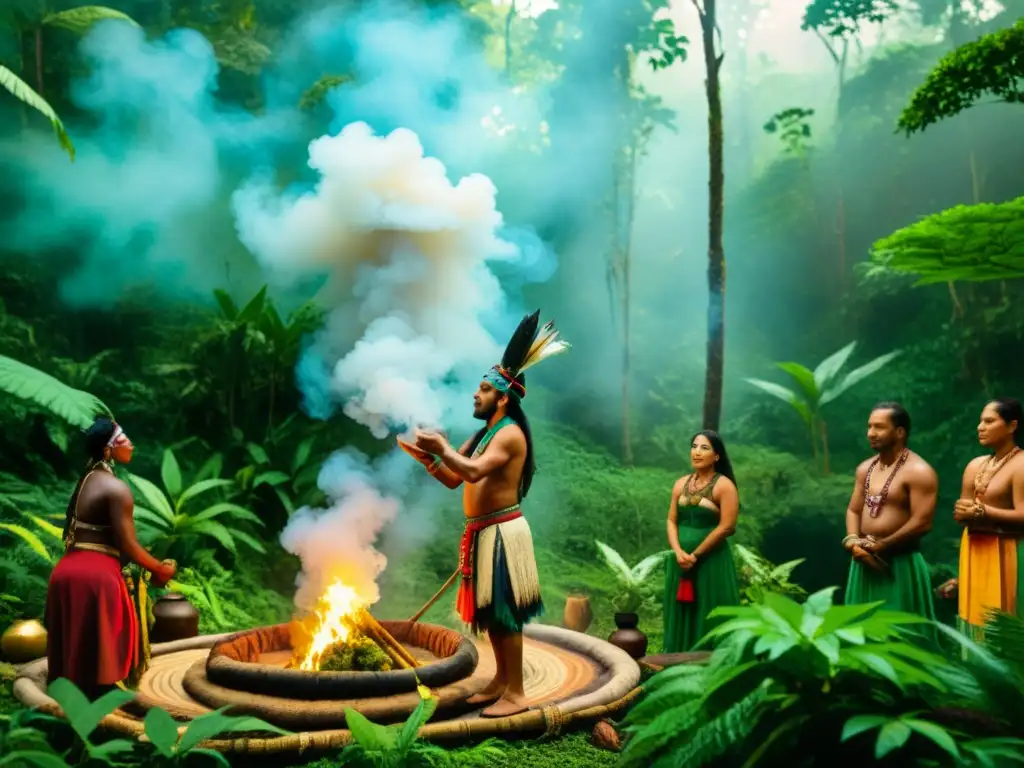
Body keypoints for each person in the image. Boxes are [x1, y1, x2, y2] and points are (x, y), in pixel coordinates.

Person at [411, 310, 568, 718]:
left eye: (483, 390)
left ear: (503, 397)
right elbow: (453, 478)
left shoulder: (510, 434)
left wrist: (442, 449)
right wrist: (429, 458)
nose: (475, 395)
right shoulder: (482, 435)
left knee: (504, 612)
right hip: (481, 534)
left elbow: (475, 471)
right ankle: (500, 681)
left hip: (501, 534)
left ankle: (516, 692)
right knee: (490, 614)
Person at [45, 416, 175, 700]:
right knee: (100, 673)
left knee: (73, 665)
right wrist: (160, 568)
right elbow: (128, 545)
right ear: (107, 450)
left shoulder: (88, 479)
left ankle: (66, 709)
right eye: (123, 438)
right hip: (95, 580)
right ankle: (103, 712)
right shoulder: (116, 489)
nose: (130, 443)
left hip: (66, 574)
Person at [842, 402, 938, 624]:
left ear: (900, 432)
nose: (871, 433)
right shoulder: (865, 468)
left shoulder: (919, 471)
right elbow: (853, 510)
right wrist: (853, 540)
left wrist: (884, 545)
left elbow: (922, 522)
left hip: (900, 564)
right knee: (861, 635)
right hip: (864, 562)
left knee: (902, 636)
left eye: (879, 427)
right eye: (869, 427)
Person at [949, 398, 1023, 638]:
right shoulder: (975, 465)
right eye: (980, 421)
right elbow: (964, 510)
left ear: (1012, 426)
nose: (980, 427)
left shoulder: (1021, 464)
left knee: (1004, 619)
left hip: (1008, 550)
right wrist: (963, 513)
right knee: (974, 619)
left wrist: (983, 511)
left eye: (989, 421)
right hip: (973, 548)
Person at [662, 430, 741, 653]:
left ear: (717, 456)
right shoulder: (680, 484)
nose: (696, 452)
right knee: (682, 610)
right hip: (680, 561)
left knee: (709, 608)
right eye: (694, 446)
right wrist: (678, 551)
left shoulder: (724, 486)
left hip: (710, 561)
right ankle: (677, 661)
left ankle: (713, 664)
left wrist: (695, 555)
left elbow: (727, 527)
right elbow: (671, 519)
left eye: (704, 448)